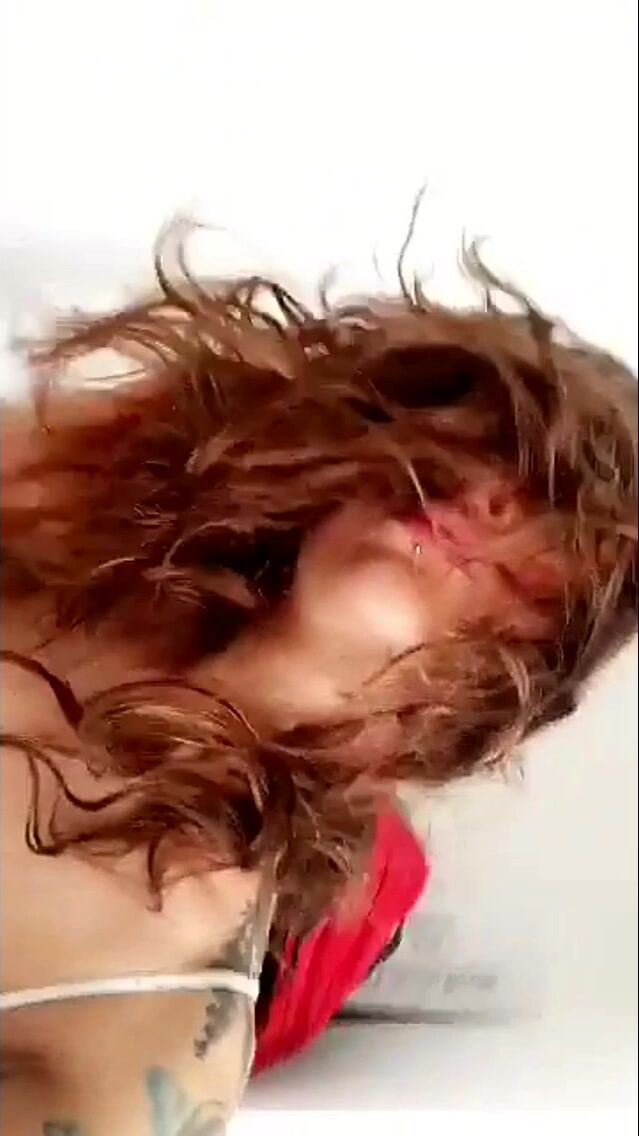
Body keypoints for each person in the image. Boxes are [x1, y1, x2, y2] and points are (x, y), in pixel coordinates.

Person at [1, 237, 637, 1134]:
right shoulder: (50, 517)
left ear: (532, 675)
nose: (494, 497)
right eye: (487, 446)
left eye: (561, 519)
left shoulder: (152, 999)